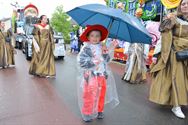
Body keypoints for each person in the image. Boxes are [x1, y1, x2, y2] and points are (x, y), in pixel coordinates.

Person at [149, 0, 188, 119]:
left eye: (187, 3)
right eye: (183, 4)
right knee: (176, 79)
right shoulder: (173, 19)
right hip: (175, 54)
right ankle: (176, 106)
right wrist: (156, 54)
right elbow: (164, 37)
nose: (185, 5)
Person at [77, 24, 119, 122]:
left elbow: (107, 60)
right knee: (89, 94)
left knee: (101, 94)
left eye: (97, 36)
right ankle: (87, 112)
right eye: (92, 36)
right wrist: (92, 62)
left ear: (100, 37)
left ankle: (100, 110)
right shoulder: (86, 48)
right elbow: (81, 62)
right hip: (90, 75)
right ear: (88, 37)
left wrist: (105, 53)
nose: (95, 38)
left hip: (101, 74)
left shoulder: (102, 47)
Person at [121, 8, 149, 84]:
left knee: (140, 63)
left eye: (140, 14)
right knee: (131, 61)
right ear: (135, 14)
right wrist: (126, 48)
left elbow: (146, 37)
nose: (138, 15)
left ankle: (136, 77)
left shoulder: (144, 24)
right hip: (133, 46)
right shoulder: (132, 23)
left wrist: (146, 51)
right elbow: (129, 37)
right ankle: (128, 76)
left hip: (140, 46)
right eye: (137, 13)